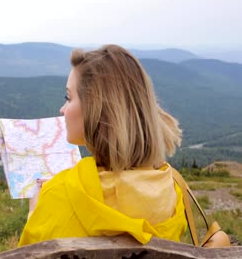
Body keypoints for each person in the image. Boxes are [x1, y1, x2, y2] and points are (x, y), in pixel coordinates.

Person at [18, 44, 187, 246]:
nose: (62, 109)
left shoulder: (56, 195)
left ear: (95, 109)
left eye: (68, 97)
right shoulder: (172, 192)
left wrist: (35, 211)